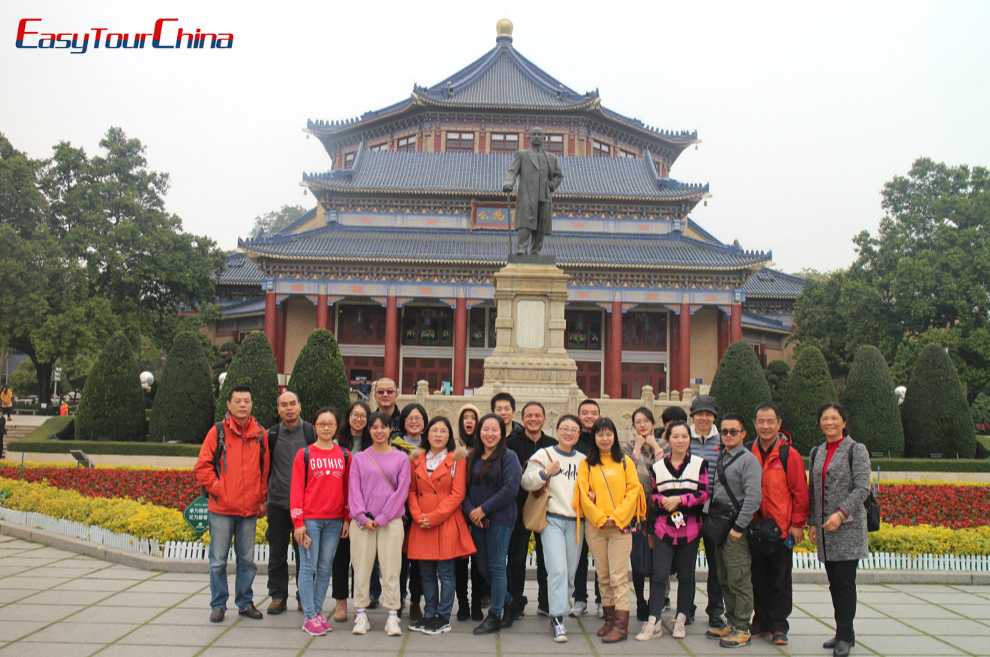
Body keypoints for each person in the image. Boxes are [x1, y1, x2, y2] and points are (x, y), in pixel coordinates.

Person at [194, 386, 269, 624]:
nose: (242, 405)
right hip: (222, 509)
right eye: (237, 401)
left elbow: (264, 470)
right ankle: (218, 604)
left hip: (248, 509)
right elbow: (202, 467)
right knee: (218, 559)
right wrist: (219, 490)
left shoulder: (260, 433)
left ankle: (245, 602)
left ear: (252, 404)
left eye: (246, 401)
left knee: (247, 560)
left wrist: (261, 498)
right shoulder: (217, 431)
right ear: (228, 404)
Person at [808, 402, 871, 657]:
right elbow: (813, 490)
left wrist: (841, 513)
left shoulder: (856, 450)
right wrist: (813, 522)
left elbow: (862, 488)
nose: (829, 423)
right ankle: (844, 631)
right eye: (825, 418)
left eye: (834, 418)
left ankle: (845, 636)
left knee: (845, 584)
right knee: (834, 584)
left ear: (844, 422)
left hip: (848, 529)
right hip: (826, 530)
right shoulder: (817, 452)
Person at [576, 417, 646, 644]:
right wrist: (599, 518)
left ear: (615, 436)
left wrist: (615, 518)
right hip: (596, 527)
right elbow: (583, 494)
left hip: (620, 526)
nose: (604, 438)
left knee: (618, 577)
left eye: (608, 434)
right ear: (594, 438)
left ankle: (621, 626)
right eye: (600, 434)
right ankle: (609, 620)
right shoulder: (587, 464)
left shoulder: (625, 462)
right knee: (603, 576)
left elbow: (633, 492)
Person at [637, 420, 708, 641]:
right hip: (664, 527)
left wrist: (680, 500)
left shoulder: (699, 464)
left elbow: (703, 493)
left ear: (690, 439)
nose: (680, 440)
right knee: (659, 575)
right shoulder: (658, 466)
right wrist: (663, 501)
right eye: (675, 436)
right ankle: (654, 621)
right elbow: (654, 493)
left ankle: (681, 619)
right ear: (667, 440)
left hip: (691, 527)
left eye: (684, 436)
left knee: (686, 576)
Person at [521, 414, 587, 643]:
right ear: (557, 430)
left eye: (574, 430)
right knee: (557, 569)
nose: (569, 433)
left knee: (569, 571)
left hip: (577, 521)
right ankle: (557, 617)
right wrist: (545, 472)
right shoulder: (544, 454)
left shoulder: (583, 460)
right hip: (552, 520)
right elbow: (526, 482)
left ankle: (558, 608)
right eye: (564, 428)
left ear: (579, 434)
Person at [407, 416, 476, 635]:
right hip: (422, 523)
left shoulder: (457, 459)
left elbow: (458, 494)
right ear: (426, 435)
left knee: (446, 573)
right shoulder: (416, 459)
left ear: (450, 436)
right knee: (426, 573)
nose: (438, 435)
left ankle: (443, 616)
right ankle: (429, 613)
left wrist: (434, 517)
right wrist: (417, 515)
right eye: (434, 430)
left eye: (443, 431)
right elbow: (411, 491)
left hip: (445, 521)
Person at [749, 402, 810, 646]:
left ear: (779, 424)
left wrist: (798, 524)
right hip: (755, 529)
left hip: (782, 529)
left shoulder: (788, 455)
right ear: (754, 424)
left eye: (770, 422)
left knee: (780, 580)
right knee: (757, 577)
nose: (765, 426)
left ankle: (778, 625)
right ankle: (760, 621)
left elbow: (801, 493)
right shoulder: (748, 451)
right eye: (761, 422)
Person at [349, 411, 411, 637]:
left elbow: (401, 491)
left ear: (390, 430)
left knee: (392, 568)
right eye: (374, 427)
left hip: (391, 522)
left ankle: (392, 616)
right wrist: (362, 517)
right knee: (361, 568)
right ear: (369, 430)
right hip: (363, 522)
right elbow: (354, 490)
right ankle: (361, 614)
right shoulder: (360, 458)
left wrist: (384, 517)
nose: (379, 431)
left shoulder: (401, 458)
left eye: (383, 427)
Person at [704, 413, 762, 649]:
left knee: (739, 578)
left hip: (735, 527)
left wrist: (740, 526)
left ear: (743, 434)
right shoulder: (724, 456)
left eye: (733, 432)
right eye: (724, 431)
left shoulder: (748, 460)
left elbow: (753, 497)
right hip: (720, 525)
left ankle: (743, 627)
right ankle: (731, 621)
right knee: (724, 577)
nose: (728, 435)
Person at [292, 406, 351, 636]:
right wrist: (298, 522)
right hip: (311, 520)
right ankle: (309, 615)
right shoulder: (305, 454)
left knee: (326, 568)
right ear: (314, 426)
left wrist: (346, 518)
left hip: (334, 521)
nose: (326, 428)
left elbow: (347, 489)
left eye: (331, 424)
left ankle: (317, 612)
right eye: (321, 424)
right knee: (309, 568)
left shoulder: (344, 455)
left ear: (337, 426)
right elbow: (296, 489)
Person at [463, 413, 523, 635]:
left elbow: (510, 489)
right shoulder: (472, 457)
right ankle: (511, 604)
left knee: (497, 567)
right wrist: (472, 512)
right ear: (479, 432)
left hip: (500, 520)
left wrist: (483, 509)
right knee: (482, 567)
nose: (489, 434)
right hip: (477, 520)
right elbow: (464, 490)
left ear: (502, 433)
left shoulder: (509, 457)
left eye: (494, 430)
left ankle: (495, 615)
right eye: (485, 429)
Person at [265, 391, 316, 615]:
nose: (289, 408)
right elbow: (265, 468)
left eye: (293, 403)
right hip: (278, 503)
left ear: (300, 406)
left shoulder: (311, 432)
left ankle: (304, 596)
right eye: (284, 405)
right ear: (278, 409)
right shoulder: (271, 434)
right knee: (277, 552)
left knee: (305, 554)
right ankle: (278, 596)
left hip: (305, 506)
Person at [505, 401, 556, 621]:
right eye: (529, 415)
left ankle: (546, 602)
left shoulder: (553, 445)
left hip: (545, 509)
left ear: (544, 419)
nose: (533, 419)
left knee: (546, 558)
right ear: (522, 418)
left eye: (537, 415)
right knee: (516, 559)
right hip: (517, 509)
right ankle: (515, 602)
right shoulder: (509, 444)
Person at [623, 407, 670, 623]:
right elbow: (629, 474)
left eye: (646, 421)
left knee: (658, 557)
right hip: (636, 510)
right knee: (638, 557)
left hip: (660, 509)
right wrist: (637, 450)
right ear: (633, 425)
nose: (642, 425)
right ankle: (640, 600)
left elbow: (667, 473)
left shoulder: (666, 447)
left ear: (653, 423)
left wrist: (656, 448)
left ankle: (655, 600)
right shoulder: (627, 447)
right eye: (638, 422)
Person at [332, 401, 375, 623]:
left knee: (362, 561)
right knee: (340, 558)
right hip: (340, 508)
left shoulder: (373, 445)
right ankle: (340, 602)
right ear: (348, 417)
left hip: (364, 511)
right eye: (355, 415)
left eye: (363, 416)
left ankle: (360, 603)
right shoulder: (336, 445)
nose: (359, 419)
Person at [688, 394, 725, 627]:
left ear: (714, 417)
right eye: (699, 414)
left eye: (708, 414)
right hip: (689, 510)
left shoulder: (723, 440)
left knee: (716, 563)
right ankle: (687, 608)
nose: (704, 418)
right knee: (687, 563)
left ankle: (715, 610)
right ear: (692, 416)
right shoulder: (683, 438)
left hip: (714, 511)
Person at [502, 126, 564, 255]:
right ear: (529, 138)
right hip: (527, 194)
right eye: (534, 134)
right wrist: (508, 182)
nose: (536, 136)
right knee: (525, 222)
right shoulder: (522, 154)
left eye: (539, 134)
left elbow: (559, 175)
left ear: (544, 138)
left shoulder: (551, 158)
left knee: (541, 223)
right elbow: (512, 171)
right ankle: (522, 248)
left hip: (544, 195)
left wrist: (552, 186)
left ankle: (536, 250)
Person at [392, 403, 427, 621]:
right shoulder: (393, 446)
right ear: (403, 422)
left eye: (418, 418)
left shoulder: (431, 446)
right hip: (400, 511)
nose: (414, 422)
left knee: (419, 560)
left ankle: (415, 601)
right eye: (410, 418)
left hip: (424, 510)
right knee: (399, 558)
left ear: (424, 422)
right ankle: (397, 599)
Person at [456, 403, 488, 621]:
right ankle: (462, 603)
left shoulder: (485, 450)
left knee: (478, 560)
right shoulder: (453, 447)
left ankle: (477, 602)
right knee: (459, 561)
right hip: (457, 511)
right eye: (465, 417)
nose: (469, 421)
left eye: (473, 417)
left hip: (478, 511)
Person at [572, 398, 601, 618]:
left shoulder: (604, 440)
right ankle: (579, 599)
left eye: (594, 413)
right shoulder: (573, 441)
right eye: (585, 413)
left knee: (601, 558)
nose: (589, 416)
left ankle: (602, 600)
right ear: (578, 416)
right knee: (579, 557)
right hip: (578, 509)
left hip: (601, 508)